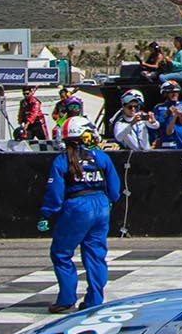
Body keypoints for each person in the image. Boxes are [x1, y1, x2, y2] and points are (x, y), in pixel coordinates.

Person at [36, 117, 121, 313]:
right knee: (96, 254)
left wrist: (46, 215)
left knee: (61, 253)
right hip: (101, 206)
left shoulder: (62, 160)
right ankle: (94, 300)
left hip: (77, 206)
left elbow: (54, 193)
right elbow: (115, 191)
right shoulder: (101, 157)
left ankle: (66, 300)